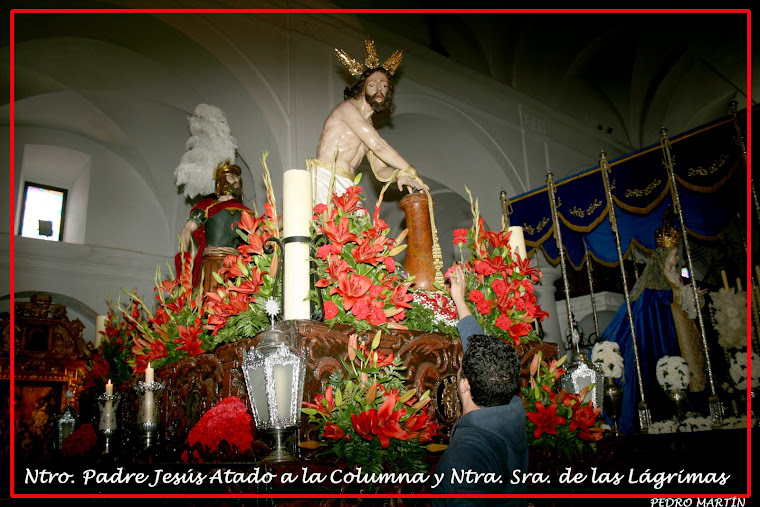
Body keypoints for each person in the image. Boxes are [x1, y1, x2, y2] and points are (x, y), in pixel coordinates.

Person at [600, 205, 707, 433]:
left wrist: (691, 295)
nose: (677, 258)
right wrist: (683, 294)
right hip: (666, 332)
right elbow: (659, 300)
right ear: (665, 256)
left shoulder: (673, 277)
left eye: (676, 253)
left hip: (681, 329)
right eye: (675, 253)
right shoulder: (655, 282)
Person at [432, 265, 528, 506]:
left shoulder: (465, 453)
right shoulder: (512, 412)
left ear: (463, 385)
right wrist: (459, 300)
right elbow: (485, 354)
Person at [309, 39, 429, 205]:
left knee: (361, 228)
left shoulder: (368, 126)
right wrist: (409, 170)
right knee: (330, 228)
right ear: (363, 87)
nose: (379, 90)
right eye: (372, 85)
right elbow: (378, 145)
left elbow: (380, 169)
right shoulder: (347, 109)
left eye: (384, 86)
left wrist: (398, 175)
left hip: (347, 182)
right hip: (326, 176)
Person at [177, 163, 252, 293]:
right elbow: (186, 230)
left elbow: (260, 234)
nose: (236, 181)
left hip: (236, 268)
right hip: (211, 264)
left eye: (237, 178)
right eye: (232, 177)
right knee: (207, 303)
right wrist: (184, 261)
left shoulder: (246, 212)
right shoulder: (207, 206)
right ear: (222, 180)